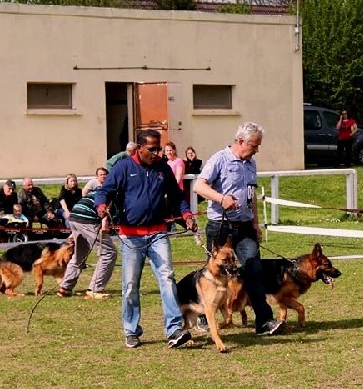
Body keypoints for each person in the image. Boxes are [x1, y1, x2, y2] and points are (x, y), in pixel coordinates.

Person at [94, 129, 196, 349]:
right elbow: (104, 191)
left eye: (158, 148)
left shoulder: (163, 168)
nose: (156, 153)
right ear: (139, 148)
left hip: (158, 232)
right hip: (131, 236)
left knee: (167, 278)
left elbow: (177, 197)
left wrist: (186, 215)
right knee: (130, 285)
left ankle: (175, 329)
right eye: (152, 149)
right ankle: (131, 331)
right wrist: (101, 205)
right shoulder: (123, 168)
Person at [193, 122, 286, 336]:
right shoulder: (219, 159)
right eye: (254, 145)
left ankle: (264, 322)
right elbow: (199, 186)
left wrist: (255, 222)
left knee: (254, 270)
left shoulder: (251, 164)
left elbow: (251, 195)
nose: (256, 150)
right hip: (220, 225)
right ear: (240, 141)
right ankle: (201, 315)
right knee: (213, 274)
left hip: (245, 228)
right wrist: (221, 198)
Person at [57, 192, 118, 300]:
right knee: (109, 252)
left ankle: (65, 288)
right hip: (87, 218)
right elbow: (105, 212)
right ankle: (95, 290)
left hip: (75, 216)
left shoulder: (102, 189)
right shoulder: (116, 193)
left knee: (80, 255)